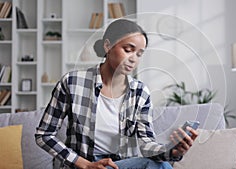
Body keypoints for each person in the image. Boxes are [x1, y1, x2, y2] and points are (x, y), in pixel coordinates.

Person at [35, 19, 198, 169]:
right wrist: (83, 164)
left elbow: (146, 143)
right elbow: (44, 135)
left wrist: (172, 151)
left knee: (158, 165)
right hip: (84, 165)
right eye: (128, 50)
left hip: (120, 165)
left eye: (139, 54)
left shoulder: (140, 93)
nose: (134, 59)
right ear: (108, 46)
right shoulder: (72, 82)